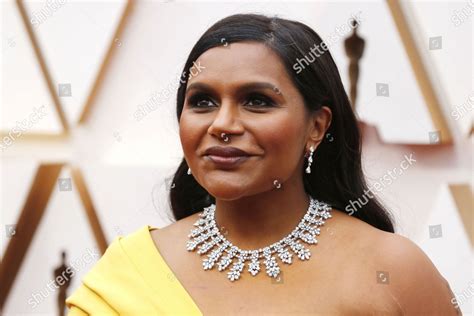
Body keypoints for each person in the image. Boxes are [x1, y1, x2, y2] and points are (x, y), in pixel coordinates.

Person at [65, 13, 460, 315]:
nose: (222, 124)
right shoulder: (129, 269)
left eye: (257, 100)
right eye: (202, 101)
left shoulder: (391, 269)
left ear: (317, 126)